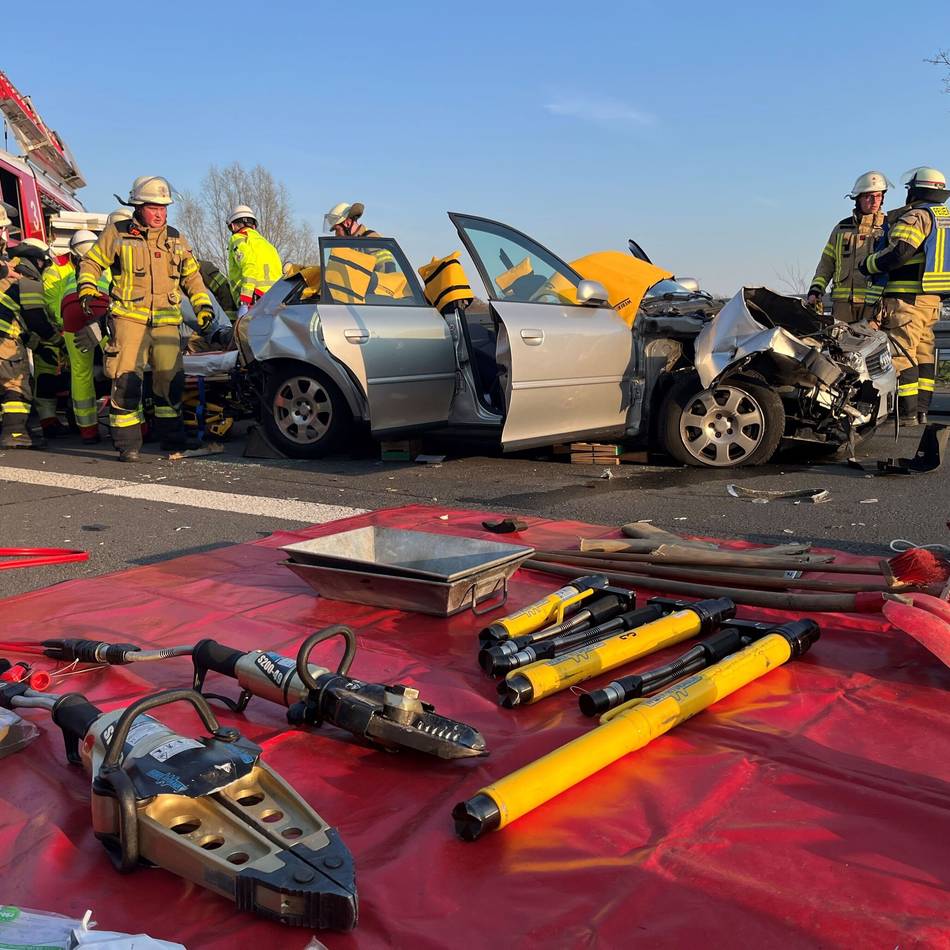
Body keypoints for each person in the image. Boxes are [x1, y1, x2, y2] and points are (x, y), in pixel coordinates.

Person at [77, 175, 213, 462]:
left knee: (170, 380)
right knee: (127, 380)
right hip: (129, 319)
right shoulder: (118, 233)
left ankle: (171, 436)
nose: (160, 214)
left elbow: (192, 276)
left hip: (166, 322)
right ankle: (127, 443)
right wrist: (88, 288)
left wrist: (203, 306)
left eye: (164, 208)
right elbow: (91, 262)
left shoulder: (176, 238)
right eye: (154, 207)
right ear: (138, 207)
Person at [860, 166, 950, 426]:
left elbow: (899, 253)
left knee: (901, 354)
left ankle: (906, 413)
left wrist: (869, 264)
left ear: (915, 190)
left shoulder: (918, 216)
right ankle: (921, 411)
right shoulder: (944, 218)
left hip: (906, 300)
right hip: (932, 301)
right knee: (923, 355)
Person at [0, 233, 63, 449]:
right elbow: (36, 319)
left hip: (8, 334)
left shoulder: (6, 270)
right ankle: (15, 434)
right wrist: (58, 342)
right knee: (16, 386)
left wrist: (37, 345)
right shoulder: (27, 279)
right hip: (3, 338)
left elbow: (22, 326)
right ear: (39, 260)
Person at [807, 171, 888, 323]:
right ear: (858, 198)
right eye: (868, 196)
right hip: (843, 306)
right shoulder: (841, 228)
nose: (874, 201)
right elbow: (826, 263)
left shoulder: (889, 227)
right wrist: (816, 289)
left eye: (878, 196)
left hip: (874, 305)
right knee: (840, 345)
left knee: (871, 346)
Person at [55, 230, 112, 442]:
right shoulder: (104, 268)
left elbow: (59, 304)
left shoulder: (71, 275)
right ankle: (136, 427)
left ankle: (88, 430)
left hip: (70, 313)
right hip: (101, 310)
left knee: (80, 373)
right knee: (120, 366)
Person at [226, 205, 282, 317]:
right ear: (254, 226)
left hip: (254, 300)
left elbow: (250, 266)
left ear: (232, 226)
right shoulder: (268, 245)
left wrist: (245, 301)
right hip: (275, 300)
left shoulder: (238, 239)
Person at [323, 202, 395, 271]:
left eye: (337, 229)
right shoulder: (353, 245)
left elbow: (387, 274)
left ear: (347, 223)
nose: (336, 234)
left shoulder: (372, 241)